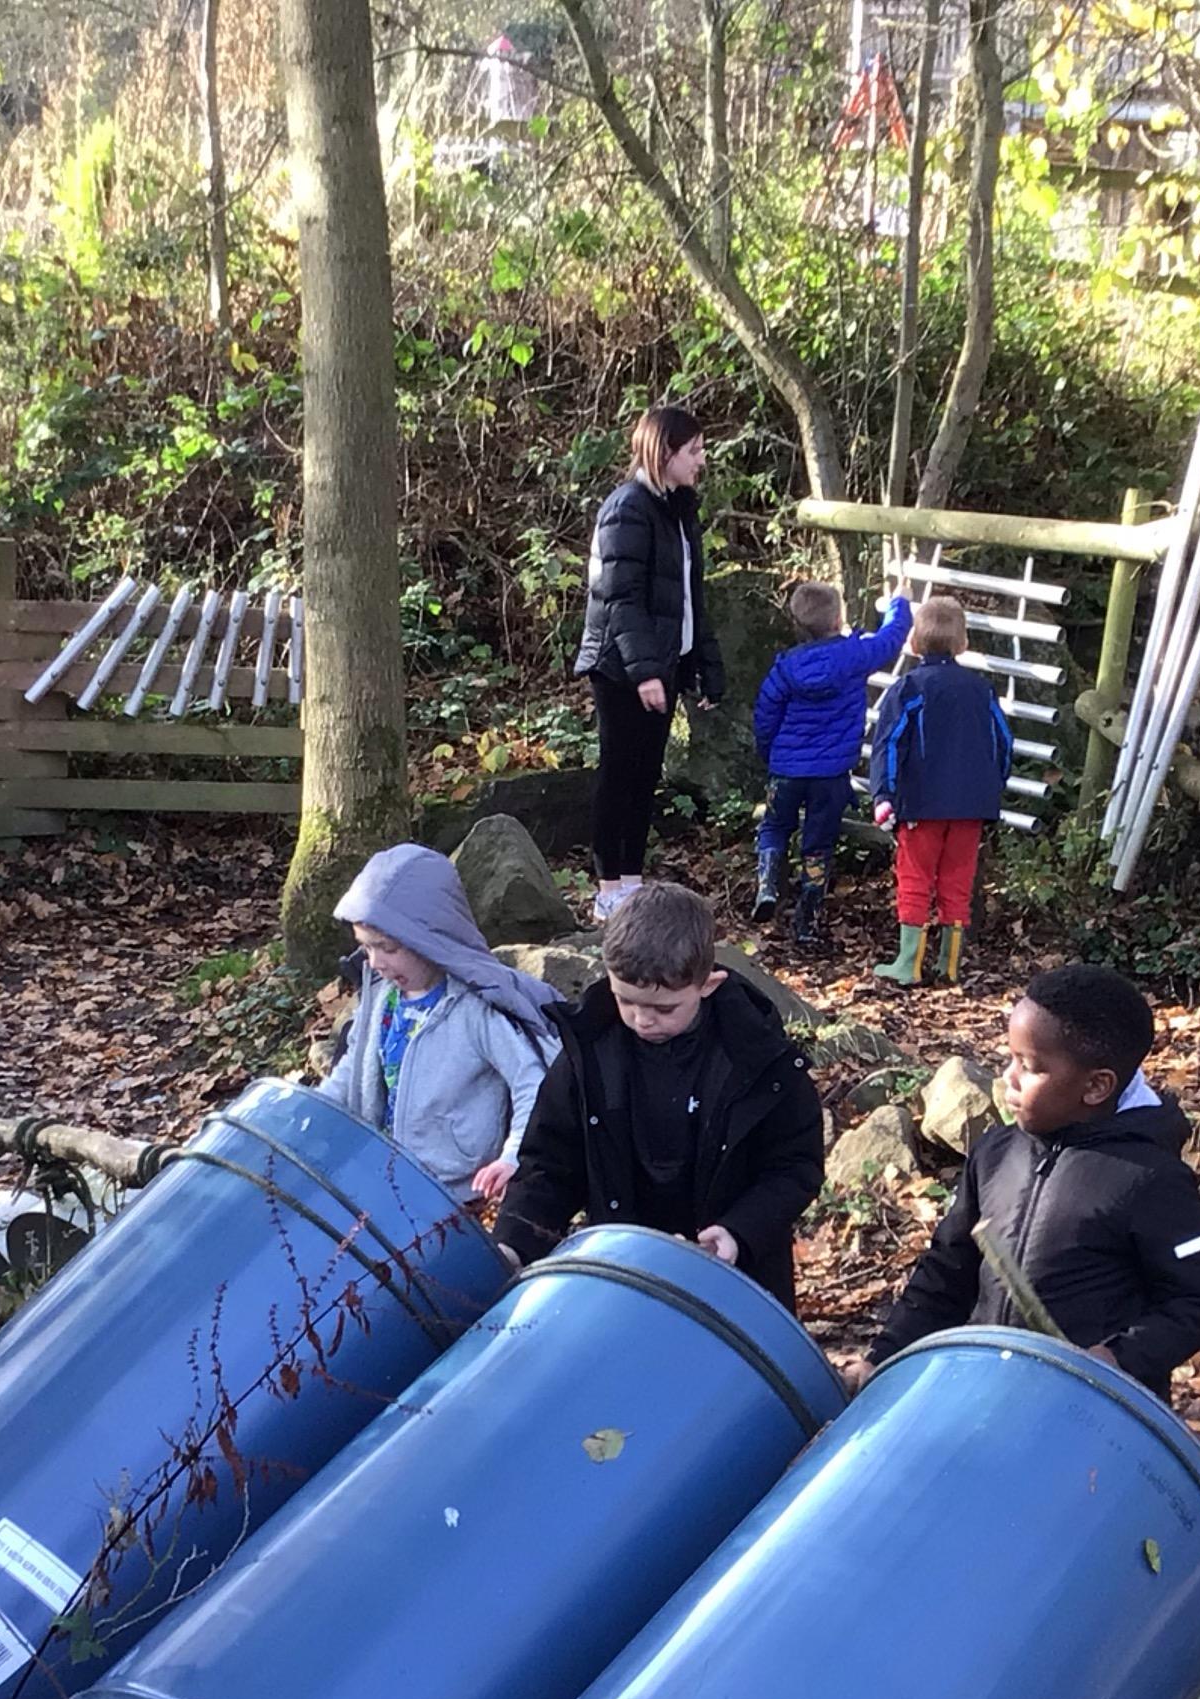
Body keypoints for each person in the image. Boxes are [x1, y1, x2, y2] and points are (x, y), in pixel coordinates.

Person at [860, 964, 1200, 1396]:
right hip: (984, 1389)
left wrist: (1116, 1359)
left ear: (1096, 1087)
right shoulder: (995, 1153)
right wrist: (884, 1357)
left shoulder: (1152, 1178)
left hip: (1088, 1410)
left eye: (1029, 1066)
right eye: (1010, 1058)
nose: (1008, 1076)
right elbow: (946, 1272)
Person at [496, 881, 825, 1306]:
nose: (641, 1020)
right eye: (625, 1000)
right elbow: (549, 1163)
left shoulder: (760, 1059)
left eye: (664, 1008)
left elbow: (794, 1165)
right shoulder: (590, 1050)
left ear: (708, 984)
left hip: (734, 1280)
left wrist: (739, 1232)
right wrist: (514, 1244)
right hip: (622, 1270)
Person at [325, 845, 566, 1206]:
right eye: (366, 947)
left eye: (387, 948)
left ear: (428, 938)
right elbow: (352, 1067)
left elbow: (531, 1082)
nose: (375, 962)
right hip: (386, 1176)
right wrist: (308, 1111)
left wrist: (513, 1155)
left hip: (459, 1192)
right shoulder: (382, 997)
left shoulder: (475, 1006)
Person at [573, 405, 724, 926]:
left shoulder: (679, 510)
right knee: (619, 773)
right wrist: (645, 674)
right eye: (693, 451)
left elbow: (688, 598)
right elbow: (620, 598)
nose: (701, 461)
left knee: (645, 776)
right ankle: (607, 889)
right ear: (664, 453)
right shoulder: (626, 509)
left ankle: (632, 883)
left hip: (663, 664)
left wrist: (704, 667)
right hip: (620, 668)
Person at [752, 581, 911, 945]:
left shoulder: (785, 668)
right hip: (831, 775)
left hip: (786, 771)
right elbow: (890, 640)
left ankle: (767, 886)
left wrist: (770, 754)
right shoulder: (853, 656)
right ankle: (807, 921)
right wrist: (900, 604)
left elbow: (765, 716)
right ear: (838, 619)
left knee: (774, 826)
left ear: (796, 624)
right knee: (819, 843)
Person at [866, 598, 1012, 986]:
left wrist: (883, 794)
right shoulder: (981, 690)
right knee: (957, 880)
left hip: (921, 802)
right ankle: (949, 965)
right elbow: (1003, 741)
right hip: (972, 806)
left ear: (913, 643)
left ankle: (908, 963)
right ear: (963, 643)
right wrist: (993, 785)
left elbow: (889, 744)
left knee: (914, 876)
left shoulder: (909, 688)